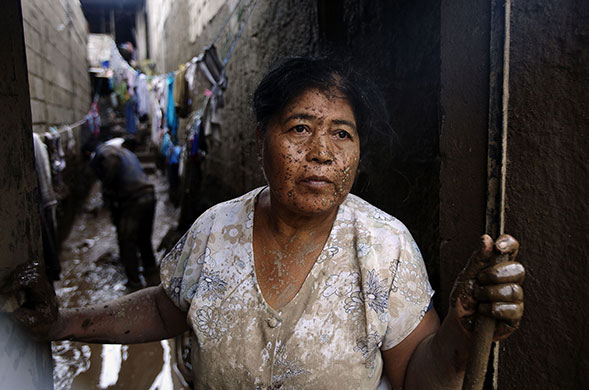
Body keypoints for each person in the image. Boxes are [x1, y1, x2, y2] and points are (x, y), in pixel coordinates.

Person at [5, 57, 524, 389]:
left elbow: (418, 379)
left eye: (342, 134)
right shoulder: (214, 230)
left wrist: (460, 330)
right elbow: (169, 310)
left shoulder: (385, 247)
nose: (321, 152)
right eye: (300, 128)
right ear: (261, 139)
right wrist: (63, 324)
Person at [87, 137, 158, 288]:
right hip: (149, 194)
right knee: (144, 238)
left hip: (133, 199)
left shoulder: (103, 153)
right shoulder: (124, 152)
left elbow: (111, 169)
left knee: (127, 241)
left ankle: (135, 282)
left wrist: (107, 193)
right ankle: (151, 272)